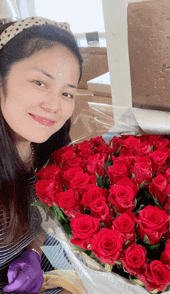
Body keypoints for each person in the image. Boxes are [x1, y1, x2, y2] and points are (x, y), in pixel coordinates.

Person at [0, 16, 84, 294]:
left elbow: (45, 225)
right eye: (39, 82)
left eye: (67, 93)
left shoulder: (46, 149)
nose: (54, 105)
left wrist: (34, 254)